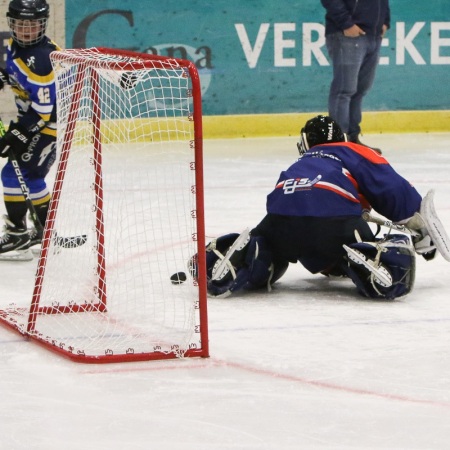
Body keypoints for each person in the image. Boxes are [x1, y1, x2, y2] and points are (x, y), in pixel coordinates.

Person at [192, 115, 447, 301]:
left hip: (279, 221)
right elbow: (392, 190)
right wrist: (418, 226)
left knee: (270, 249)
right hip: (333, 221)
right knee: (363, 244)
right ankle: (366, 258)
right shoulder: (353, 151)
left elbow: (282, 199)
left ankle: (249, 256)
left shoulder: (301, 162)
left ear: (304, 143)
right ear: (343, 138)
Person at [0, 0, 59, 260]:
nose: (26, 30)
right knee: (29, 176)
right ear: (11, 23)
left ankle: (18, 235)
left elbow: (44, 111)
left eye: (32, 24)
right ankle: (43, 232)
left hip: (50, 125)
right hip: (34, 121)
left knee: (15, 174)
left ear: (42, 24)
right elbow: (17, 76)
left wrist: (19, 134)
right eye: (20, 24)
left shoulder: (43, 58)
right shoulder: (14, 47)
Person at [320, 0, 390, 152]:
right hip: (347, 34)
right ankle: (339, 142)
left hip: (373, 34)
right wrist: (346, 24)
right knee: (344, 90)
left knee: (360, 89)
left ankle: (352, 139)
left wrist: (385, 20)